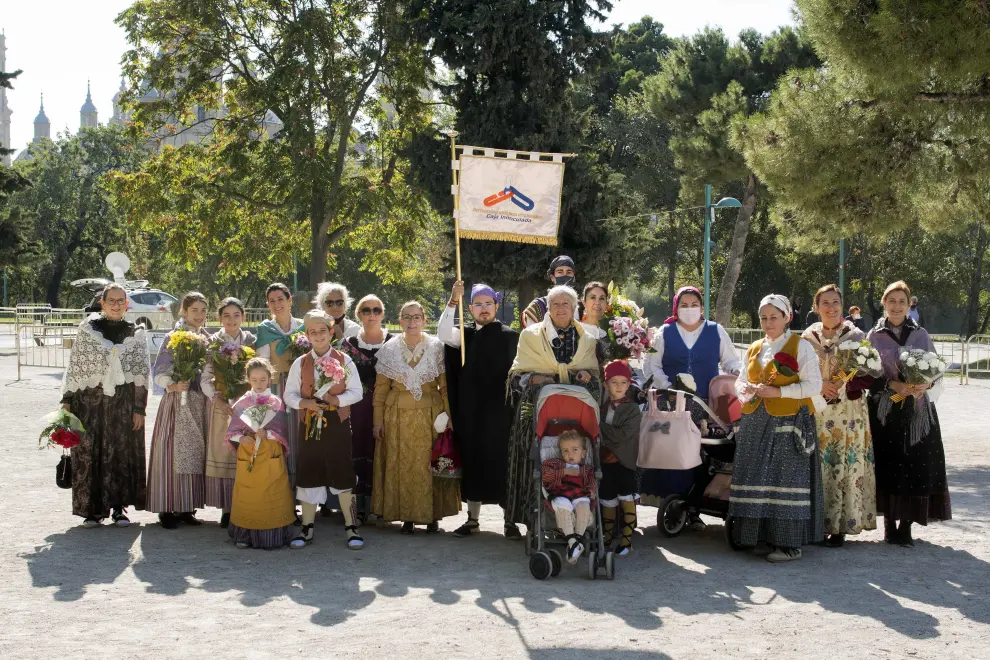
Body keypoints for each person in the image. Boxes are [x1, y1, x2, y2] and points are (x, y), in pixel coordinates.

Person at [729, 294, 825, 562]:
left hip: (788, 421)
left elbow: (814, 385)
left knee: (785, 478)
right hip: (755, 422)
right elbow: (740, 380)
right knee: (754, 477)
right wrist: (745, 390)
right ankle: (755, 536)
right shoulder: (754, 347)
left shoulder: (800, 346)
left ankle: (788, 544)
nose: (768, 323)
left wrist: (778, 392)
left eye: (774, 317)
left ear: (786, 318)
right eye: (764, 318)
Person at [641, 285, 741, 523]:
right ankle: (673, 502)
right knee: (674, 453)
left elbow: (730, 361)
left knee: (703, 453)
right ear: (676, 307)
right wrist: (668, 386)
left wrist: (738, 374)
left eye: (694, 304)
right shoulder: (664, 332)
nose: (689, 309)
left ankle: (696, 502)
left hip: (706, 404)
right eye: (684, 305)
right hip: (670, 402)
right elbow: (651, 364)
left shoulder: (716, 331)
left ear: (701, 307)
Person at [505, 285, 600, 531]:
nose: (560, 308)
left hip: (574, 416)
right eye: (555, 304)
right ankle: (532, 521)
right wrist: (532, 380)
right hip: (536, 411)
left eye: (565, 304)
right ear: (547, 308)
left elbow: (596, 380)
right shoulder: (530, 336)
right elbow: (515, 378)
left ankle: (575, 521)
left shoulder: (587, 340)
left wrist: (588, 378)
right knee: (532, 463)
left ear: (574, 308)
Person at [867, 281, 950, 546]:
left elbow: (936, 369)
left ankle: (907, 525)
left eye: (902, 301)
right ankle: (890, 523)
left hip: (917, 409)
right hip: (887, 408)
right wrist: (892, 385)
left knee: (915, 464)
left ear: (909, 304)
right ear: (884, 303)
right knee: (888, 462)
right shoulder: (874, 336)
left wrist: (925, 383)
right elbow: (867, 374)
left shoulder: (921, 334)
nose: (897, 305)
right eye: (892, 300)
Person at [60, 283, 150, 527]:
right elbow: (75, 368)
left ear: (126, 304)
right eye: (112, 300)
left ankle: (119, 508)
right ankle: (92, 510)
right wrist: (67, 401)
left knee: (121, 454)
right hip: (89, 403)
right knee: (90, 454)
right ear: (102, 302)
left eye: (121, 300)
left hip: (123, 403)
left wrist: (139, 409)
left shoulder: (136, 332)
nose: (116, 304)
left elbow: (141, 374)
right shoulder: (87, 330)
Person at [437, 281, 520, 538]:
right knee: (473, 461)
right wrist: (453, 299)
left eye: (488, 304)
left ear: (496, 306)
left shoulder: (510, 336)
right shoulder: (464, 335)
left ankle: (510, 521)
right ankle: (473, 519)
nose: (483, 309)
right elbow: (441, 333)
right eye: (478, 305)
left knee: (503, 463)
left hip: (501, 413)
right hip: (472, 412)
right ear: (470, 308)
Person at [372, 301, 461, 533]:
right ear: (400, 321)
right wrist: (377, 421)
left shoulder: (437, 348)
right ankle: (406, 516)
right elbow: (380, 390)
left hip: (430, 417)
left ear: (424, 320)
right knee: (400, 466)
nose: (412, 322)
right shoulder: (388, 350)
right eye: (407, 317)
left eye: (417, 317)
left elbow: (445, 387)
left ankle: (432, 516)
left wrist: (449, 416)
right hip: (397, 418)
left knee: (427, 465)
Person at [802, 284, 877, 547]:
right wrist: (821, 385)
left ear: (842, 306)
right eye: (825, 303)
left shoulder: (855, 335)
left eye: (836, 302)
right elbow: (799, 370)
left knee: (842, 461)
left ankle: (840, 525)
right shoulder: (807, 336)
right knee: (818, 463)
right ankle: (815, 523)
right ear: (816, 307)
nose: (831, 307)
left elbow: (869, 372)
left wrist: (844, 382)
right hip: (817, 407)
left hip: (848, 411)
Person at [283, 310, 364, 549]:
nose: (318, 336)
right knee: (309, 471)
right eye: (313, 332)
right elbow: (289, 395)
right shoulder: (301, 362)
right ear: (307, 335)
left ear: (331, 333)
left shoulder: (344, 360)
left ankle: (351, 527)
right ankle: (307, 528)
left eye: (322, 331)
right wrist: (305, 403)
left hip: (336, 425)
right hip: (309, 426)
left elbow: (356, 392)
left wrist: (334, 399)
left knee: (342, 470)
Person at [146, 292, 211, 529]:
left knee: (194, 451)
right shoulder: (173, 337)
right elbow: (159, 370)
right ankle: (167, 507)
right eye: (194, 310)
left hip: (198, 400)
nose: (199, 315)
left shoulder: (206, 337)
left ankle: (187, 506)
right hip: (176, 400)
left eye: (203, 311)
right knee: (171, 452)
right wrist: (172, 384)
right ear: (183, 311)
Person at [224, 358, 295, 549]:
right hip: (249, 452)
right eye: (254, 379)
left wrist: (269, 433)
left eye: (263, 379)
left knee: (272, 491)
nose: (258, 384)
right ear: (248, 379)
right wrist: (241, 439)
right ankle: (245, 535)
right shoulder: (242, 402)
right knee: (249, 494)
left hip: (270, 451)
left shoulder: (276, 403)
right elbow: (232, 430)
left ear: (270, 378)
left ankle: (274, 534)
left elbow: (282, 429)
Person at [201, 297, 256, 528]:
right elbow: (205, 378)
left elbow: (259, 372)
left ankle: (247, 505)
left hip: (247, 405)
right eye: (226, 315)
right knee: (225, 453)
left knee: (246, 451)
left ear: (243, 317)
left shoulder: (251, 340)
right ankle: (227, 509)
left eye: (236, 315)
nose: (231, 320)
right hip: (222, 406)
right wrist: (217, 398)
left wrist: (249, 398)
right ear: (219, 318)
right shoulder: (212, 343)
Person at [338, 294, 392, 524]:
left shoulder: (393, 343)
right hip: (357, 408)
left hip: (386, 407)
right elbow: (340, 378)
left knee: (382, 452)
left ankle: (380, 506)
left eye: (376, 310)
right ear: (358, 314)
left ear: (382, 314)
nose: (372, 314)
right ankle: (357, 508)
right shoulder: (348, 345)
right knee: (357, 452)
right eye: (366, 310)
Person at [255, 283, 304, 488]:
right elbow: (263, 364)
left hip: (300, 388)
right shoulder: (265, 329)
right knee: (279, 435)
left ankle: (300, 490)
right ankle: (279, 490)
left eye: (280, 299)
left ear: (290, 300)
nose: (277, 304)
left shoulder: (303, 326)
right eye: (272, 301)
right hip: (276, 387)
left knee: (300, 437)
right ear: (268, 305)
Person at [599, 360, 641, 555]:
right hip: (605, 463)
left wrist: (599, 427)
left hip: (624, 463)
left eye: (623, 382)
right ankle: (607, 536)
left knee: (626, 499)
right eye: (613, 382)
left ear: (629, 384)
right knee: (607, 499)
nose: (618, 387)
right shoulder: (602, 407)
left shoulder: (632, 409)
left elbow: (621, 435)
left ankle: (626, 540)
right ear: (605, 385)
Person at [541, 429, 596, 564]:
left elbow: (591, 484)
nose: (569, 454)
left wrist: (591, 491)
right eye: (565, 450)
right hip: (560, 493)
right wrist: (564, 471)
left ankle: (575, 542)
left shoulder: (586, 470)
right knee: (563, 505)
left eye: (574, 450)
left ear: (583, 453)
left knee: (584, 505)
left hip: (579, 495)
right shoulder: (555, 464)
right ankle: (574, 542)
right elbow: (545, 476)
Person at [521, 255, 578, 328]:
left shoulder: (582, 308)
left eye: (569, 272)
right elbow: (530, 337)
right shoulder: (537, 307)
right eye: (560, 272)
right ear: (552, 277)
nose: (565, 276)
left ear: (574, 278)